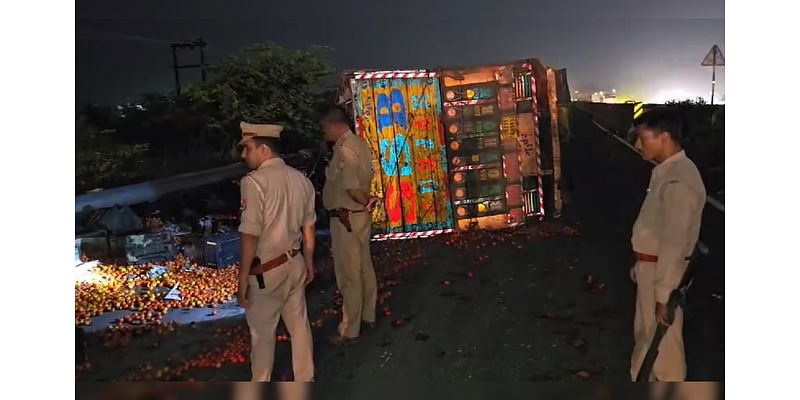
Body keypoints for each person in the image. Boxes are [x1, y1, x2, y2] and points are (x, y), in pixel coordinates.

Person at [628, 108, 706, 382]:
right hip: (652, 270)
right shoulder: (666, 172)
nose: (638, 144)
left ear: (664, 136)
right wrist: (641, 265)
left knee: (664, 349)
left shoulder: (678, 179)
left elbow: (675, 242)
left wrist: (663, 294)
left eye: (642, 137)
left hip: (663, 276)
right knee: (648, 339)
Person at [236, 121, 316, 381]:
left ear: (263, 149)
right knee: (300, 328)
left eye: (246, 148)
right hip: (295, 263)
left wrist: (242, 279)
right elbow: (309, 227)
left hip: (266, 272)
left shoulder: (253, 182)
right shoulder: (301, 180)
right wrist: (310, 263)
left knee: (262, 337)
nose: (243, 155)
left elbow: (250, 235)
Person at [320, 107, 378, 345]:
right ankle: (368, 315)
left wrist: (366, 201)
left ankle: (350, 328)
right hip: (357, 218)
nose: (324, 133)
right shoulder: (359, 144)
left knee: (349, 274)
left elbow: (352, 189)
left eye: (324, 128)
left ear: (335, 125)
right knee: (364, 268)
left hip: (347, 219)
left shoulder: (345, 151)